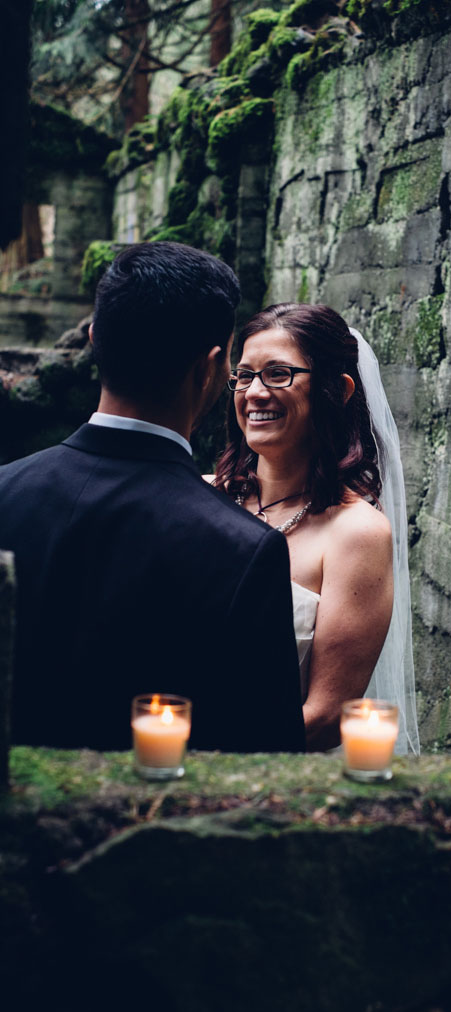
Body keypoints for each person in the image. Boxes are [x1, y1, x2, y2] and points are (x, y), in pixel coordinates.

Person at [0, 242, 305, 753]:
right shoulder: (244, 550)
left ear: (95, 340)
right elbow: (263, 758)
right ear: (210, 366)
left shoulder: (6, 489)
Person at [213, 303, 420, 754]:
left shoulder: (356, 533)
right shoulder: (203, 495)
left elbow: (326, 717)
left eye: (279, 374)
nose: (254, 393)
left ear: (337, 390)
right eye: (244, 376)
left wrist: (206, 750)